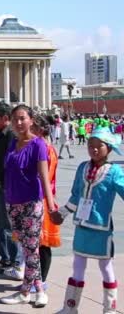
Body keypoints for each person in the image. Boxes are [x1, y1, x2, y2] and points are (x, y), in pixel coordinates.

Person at [52, 124, 123, 314]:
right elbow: (76, 195)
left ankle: (110, 309)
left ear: (108, 148)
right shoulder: (82, 167)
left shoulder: (114, 172)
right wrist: (63, 213)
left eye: (98, 145)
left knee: (106, 267)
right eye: (90, 144)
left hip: (101, 228)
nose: (93, 149)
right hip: (81, 226)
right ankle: (70, 307)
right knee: (77, 266)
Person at [0, 105, 56, 307]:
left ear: (31, 120)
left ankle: (27, 291)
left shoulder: (38, 144)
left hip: (31, 203)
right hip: (12, 202)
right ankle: (38, 290)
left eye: (22, 118)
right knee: (26, 249)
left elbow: (43, 176)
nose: (18, 122)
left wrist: (50, 205)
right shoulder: (13, 143)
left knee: (32, 249)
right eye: (15, 119)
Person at [0, 102, 21, 274]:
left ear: (5, 118)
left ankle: (14, 260)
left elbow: (9, 162)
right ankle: (5, 258)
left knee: (8, 225)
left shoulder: (11, 136)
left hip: (5, 186)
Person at [32, 114, 61, 295]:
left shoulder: (46, 148)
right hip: (34, 198)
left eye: (33, 126)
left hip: (42, 198)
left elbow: (46, 177)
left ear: (41, 129)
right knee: (33, 244)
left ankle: (42, 280)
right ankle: (34, 278)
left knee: (42, 244)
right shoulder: (35, 146)